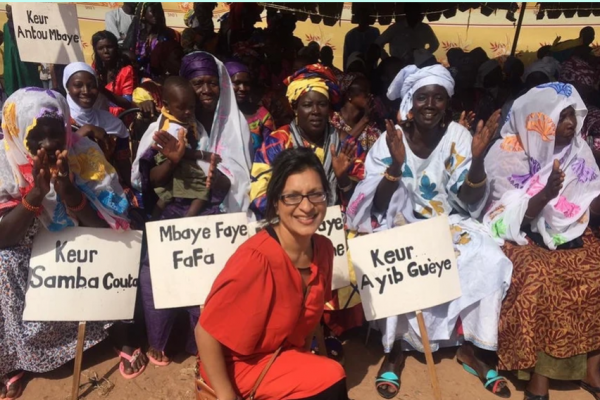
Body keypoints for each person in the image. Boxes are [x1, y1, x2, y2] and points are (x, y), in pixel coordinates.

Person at [345, 64, 513, 399]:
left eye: (438, 97)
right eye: (423, 97)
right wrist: (394, 165)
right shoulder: (389, 139)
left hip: (448, 222)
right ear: (411, 100)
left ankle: (473, 348)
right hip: (397, 222)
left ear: (446, 102)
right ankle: (394, 351)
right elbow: (374, 204)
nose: (430, 104)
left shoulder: (459, 137)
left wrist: (477, 161)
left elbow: (468, 202)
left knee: (489, 257)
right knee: (399, 258)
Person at [0, 88, 147, 399]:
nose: (51, 144)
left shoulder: (85, 154)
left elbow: (109, 226)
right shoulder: (5, 162)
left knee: (114, 248)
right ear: (17, 132)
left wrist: (68, 192)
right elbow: (4, 237)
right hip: (27, 243)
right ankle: (17, 357)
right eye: (38, 136)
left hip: (80, 240)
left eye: (58, 133)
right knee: (5, 262)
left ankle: (116, 334)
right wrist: (36, 194)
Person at [196, 147, 348, 400]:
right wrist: (226, 396)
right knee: (331, 376)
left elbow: (309, 320)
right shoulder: (256, 259)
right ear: (276, 203)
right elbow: (205, 332)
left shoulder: (324, 250)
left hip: (283, 357)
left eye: (315, 194)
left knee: (326, 378)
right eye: (293, 197)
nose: (307, 206)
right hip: (240, 366)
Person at [483, 83, 600, 400]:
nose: (570, 124)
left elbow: (588, 201)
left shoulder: (578, 150)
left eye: (572, 116)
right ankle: (539, 376)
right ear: (536, 119)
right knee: (540, 277)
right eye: (560, 117)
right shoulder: (507, 153)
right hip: (519, 235)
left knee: (595, 269)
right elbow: (505, 217)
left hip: (567, 232)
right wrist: (546, 194)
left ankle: (593, 369)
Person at [250, 64, 359, 220]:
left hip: (339, 227)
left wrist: (343, 179)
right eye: (307, 105)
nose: (315, 111)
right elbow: (259, 195)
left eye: (322, 104)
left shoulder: (346, 144)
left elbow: (365, 198)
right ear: (295, 109)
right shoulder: (278, 142)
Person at [63, 62, 132, 186]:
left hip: (107, 190)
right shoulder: (60, 121)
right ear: (67, 87)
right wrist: (84, 131)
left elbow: (123, 165)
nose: (85, 91)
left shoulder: (112, 123)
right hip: (72, 192)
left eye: (91, 86)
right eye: (78, 85)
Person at [152, 76, 210, 218]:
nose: (188, 112)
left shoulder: (176, 119)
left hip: (175, 157)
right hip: (177, 157)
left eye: (191, 107)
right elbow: (180, 151)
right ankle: (188, 218)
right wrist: (202, 155)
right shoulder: (174, 126)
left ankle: (152, 220)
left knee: (166, 193)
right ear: (167, 105)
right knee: (203, 189)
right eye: (181, 107)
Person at [225, 60, 275, 158]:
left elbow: (271, 150)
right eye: (237, 83)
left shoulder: (262, 116)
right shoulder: (217, 115)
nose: (243, 88)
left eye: (246, 84)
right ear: (225, 84)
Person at [124, 3, 180, 80]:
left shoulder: (167, 34)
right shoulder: (137, 34)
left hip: (159, 77)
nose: (156, 15)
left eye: (158, 11)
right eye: (152, 11)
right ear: (143, 14)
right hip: (136, 75)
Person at [92, 30, 136, 117]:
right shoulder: (95, 67)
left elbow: (127, 103)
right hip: (98, 113)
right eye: (101, 48)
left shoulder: (126, 71)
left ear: (116, 47)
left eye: (109, 47)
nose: (106, 51)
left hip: (120, 116)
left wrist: (103, 90)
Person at [3, 4, 42, 96]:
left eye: (10, 11)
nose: (8, 13)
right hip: (12, 64)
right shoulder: (6, 26)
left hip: (25, 65)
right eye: (7, 11)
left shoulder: (25, 25)